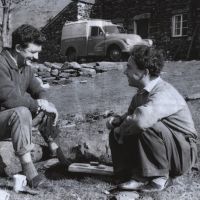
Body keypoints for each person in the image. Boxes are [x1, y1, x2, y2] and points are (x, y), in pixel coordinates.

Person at [107, 45, 198, 192]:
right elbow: (127, 118)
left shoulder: (164, 92)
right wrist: (115, 122)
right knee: (119, 130)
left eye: (129, 68)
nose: (125, 72)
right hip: (167, 147)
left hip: (183, 153)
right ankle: (128, 174)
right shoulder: (139, 95)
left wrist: (122, 128)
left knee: (147, 125)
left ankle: (159, 178)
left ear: (145, 72)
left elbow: (141, 120)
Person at [0, 24, 70, 188]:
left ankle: (57, 152)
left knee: (47, 106)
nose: (37, 57)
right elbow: (9, 99)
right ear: (18, 47)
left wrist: (45, 102)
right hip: (3, 118)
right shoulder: (1, 64)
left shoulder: (25, 67)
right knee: (23, 112)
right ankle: (30, 173)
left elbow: (38, 89)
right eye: (33, 52)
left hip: (10, 119)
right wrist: (38, 104)